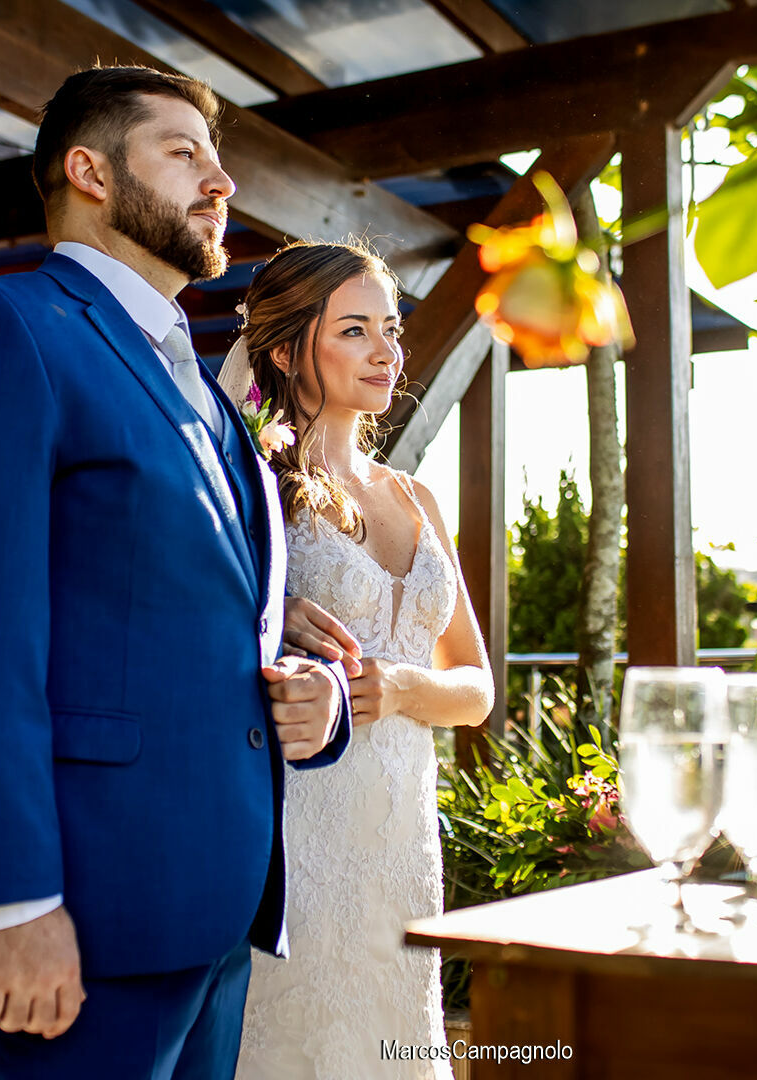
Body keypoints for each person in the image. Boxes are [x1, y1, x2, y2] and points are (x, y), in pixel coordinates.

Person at [0, 65, 350, 1079]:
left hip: (211, 913)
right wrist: (14, 901)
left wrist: (319, 696)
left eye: (217, 159)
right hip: (69, 913)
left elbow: (208, 615)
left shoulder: (208, 393)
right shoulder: (0, 330)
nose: (218, 181)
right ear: (87, 172)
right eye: (182, 153)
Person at [225, 242, 494, 1079]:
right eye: (355, 330)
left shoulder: (416, 497)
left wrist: (404, 687)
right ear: (284, 350)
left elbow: (476, 689)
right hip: (296, 828)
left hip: (401, 840)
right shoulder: (248, 483)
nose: (387, 352)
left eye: (390, 328)